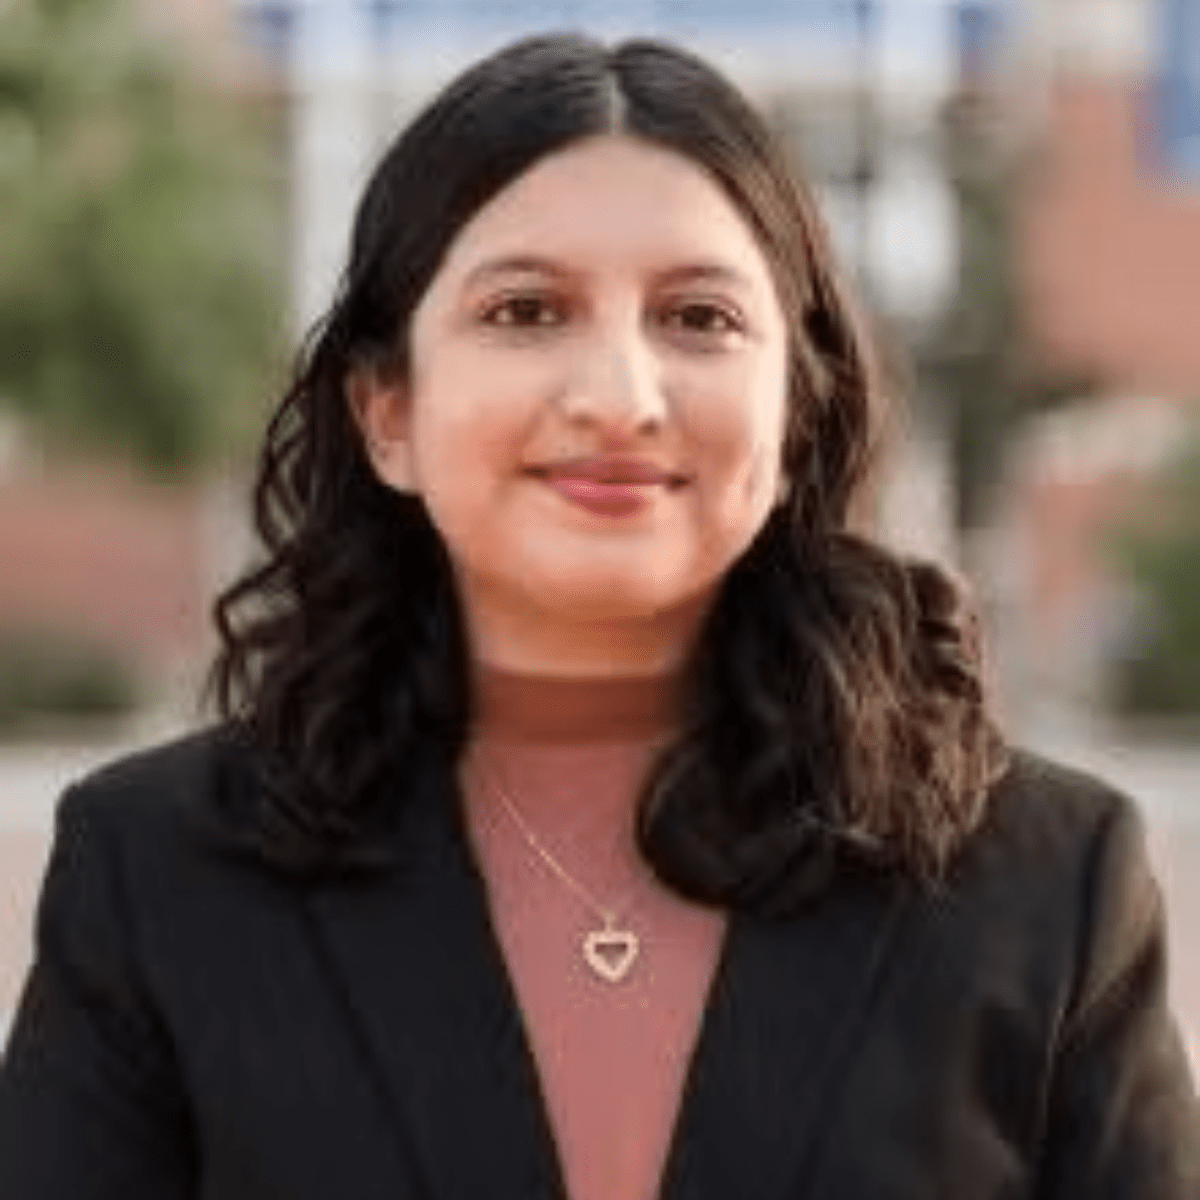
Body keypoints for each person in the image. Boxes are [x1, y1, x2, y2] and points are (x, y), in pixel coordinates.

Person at [0, 31, 1197, 1200]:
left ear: (794, 414)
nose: (621, 397)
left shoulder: (1048, 884)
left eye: (700, 319)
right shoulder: (156, 874)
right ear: (386, 414)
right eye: (525, 312)